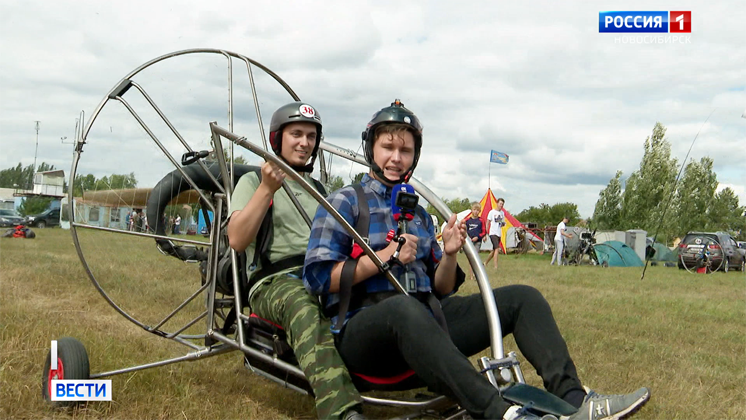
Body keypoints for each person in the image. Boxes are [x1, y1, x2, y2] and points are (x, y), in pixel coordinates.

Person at [303, 100, 650, 420]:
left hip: (424, 324)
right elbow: (318, 278)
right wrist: (384, 257)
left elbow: (441, 289)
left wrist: (450, 253)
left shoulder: (419, 215)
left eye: (405, 150)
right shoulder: (345, 202)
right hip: (363, 333)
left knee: (522, 298)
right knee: (404, 309)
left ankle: (575, 401)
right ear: (371, 149)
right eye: (388, 148)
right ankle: (500, 413)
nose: (397, 158)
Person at [227, 102, 364, 420]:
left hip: (321, 272)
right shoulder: (251, 182)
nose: (305, 142)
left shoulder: (318, 189)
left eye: (311, 136)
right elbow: (236, 239)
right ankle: (342, 411)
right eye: (296, 134)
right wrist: (266, 189)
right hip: (275, 281)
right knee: (301, 302)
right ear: (278, 138)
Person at [465, 202, 486, 280]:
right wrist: (468, 238)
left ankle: (476, 273)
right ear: (471, 210)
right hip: (469, 242)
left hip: (477, 242)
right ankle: (471, 275)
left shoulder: (481, 220)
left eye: (477, 210)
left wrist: (478, 237)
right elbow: (465, 231)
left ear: (479, 211)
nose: (476, 212)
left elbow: (484, 231)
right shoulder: (467, 220)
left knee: (475, 257)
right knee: (471, 258)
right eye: (474, 209)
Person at [484, 198, 506, 270]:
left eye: (502, 204)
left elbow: (503, 223)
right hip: (493, 233)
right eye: (500, 204)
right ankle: (495, 266)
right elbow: (487, 222)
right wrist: (485, 233)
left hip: (498, 232)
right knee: (497, 249)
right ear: (497, 203)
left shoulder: (502, 213)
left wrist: (503, 223)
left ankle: (485, 262)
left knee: (494, 250)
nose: (501, 205)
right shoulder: (492, 212)